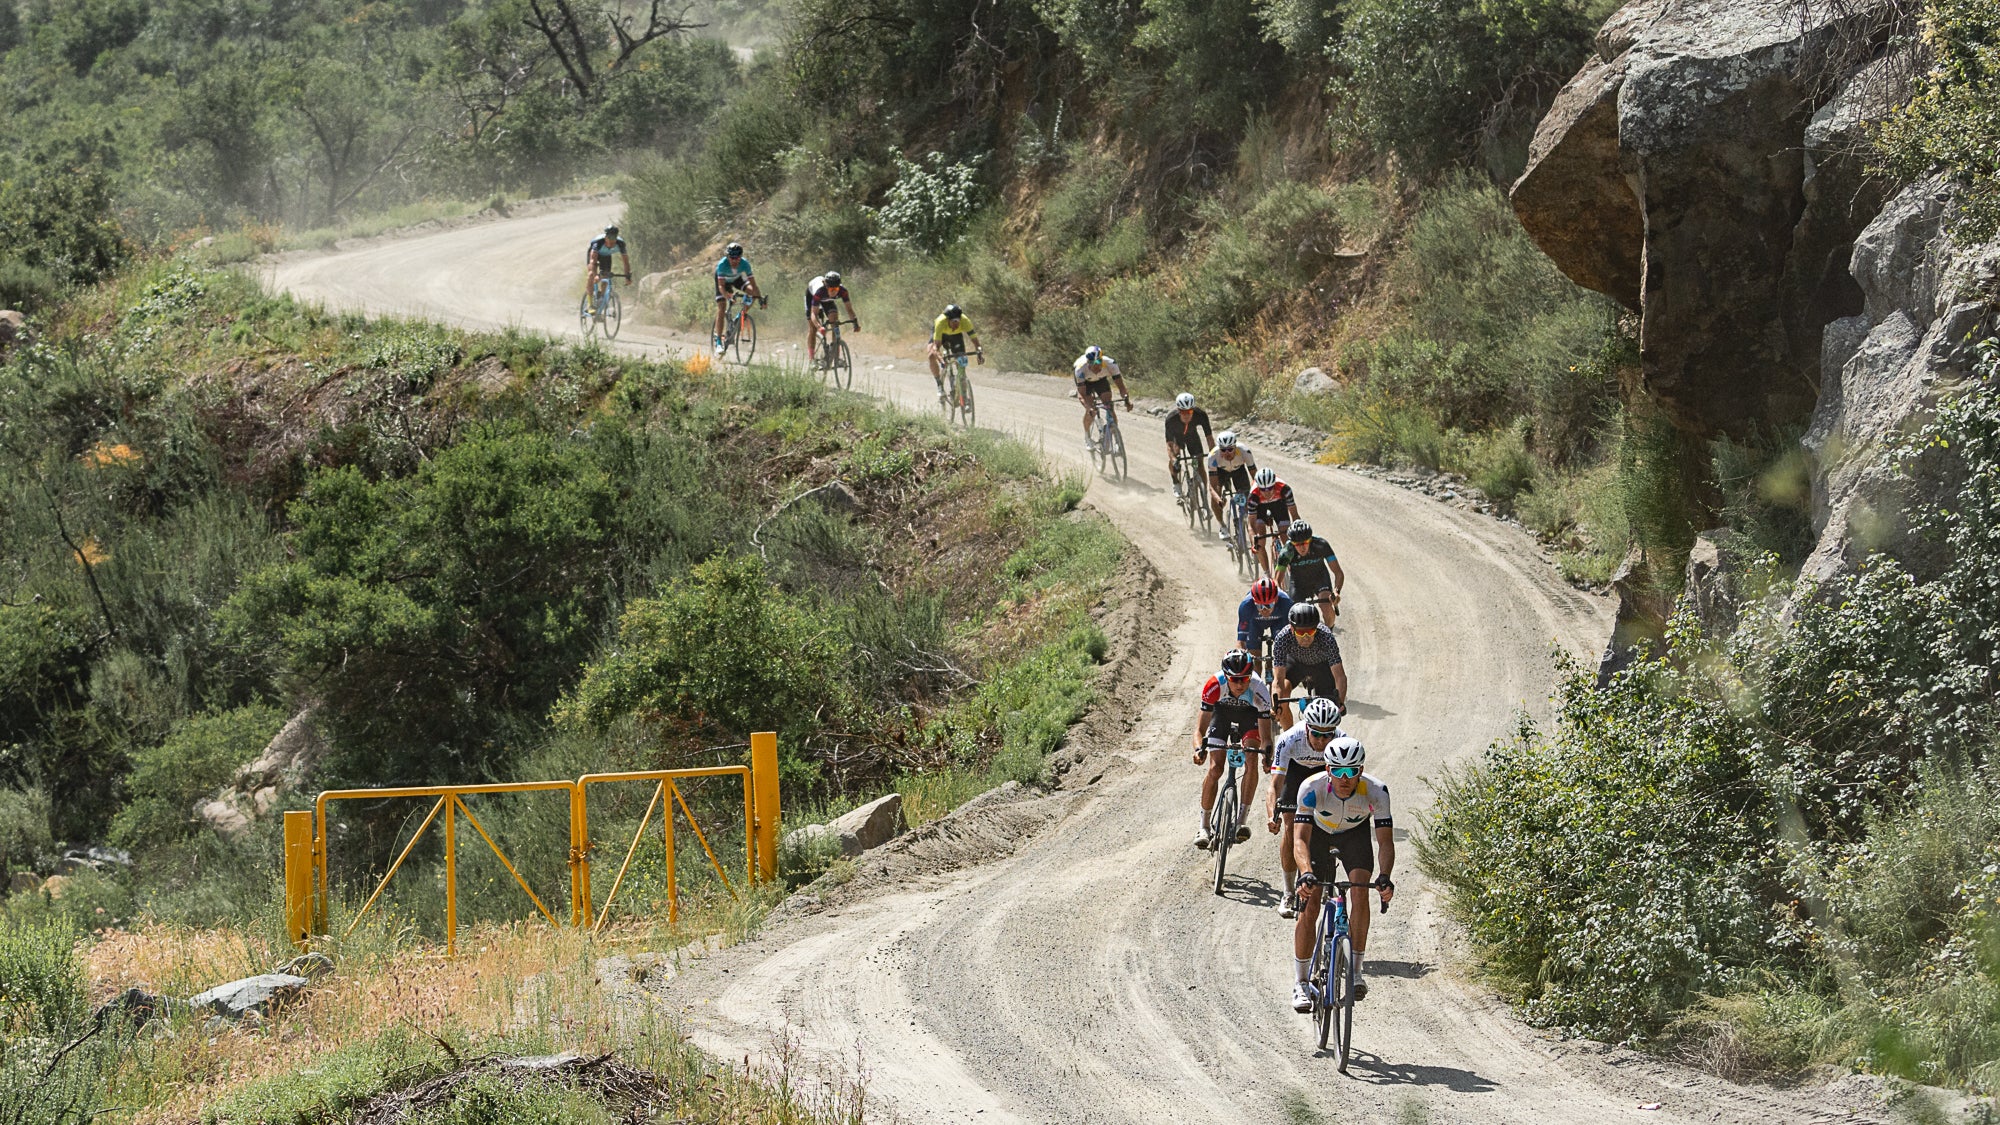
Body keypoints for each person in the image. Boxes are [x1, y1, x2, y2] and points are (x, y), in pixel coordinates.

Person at [1290, 735, 1395, 1012]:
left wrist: (1385, 876)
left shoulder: (1376, 791)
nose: (1345, 777)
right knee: (1310, 903)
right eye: (1338, 771)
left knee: (1360, 891)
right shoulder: (1310, 788)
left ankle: (1356, 971)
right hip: (1319, 836)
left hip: (1354, 835)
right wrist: (1305, 873)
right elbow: (1299, 839)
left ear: (1361, 770)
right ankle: (1301, 983)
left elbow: (1385, 841)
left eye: (1351, 771)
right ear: (1328, 770)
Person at [1265, 697, 1348, 918]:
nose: (1322, 740)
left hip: (1325, 771)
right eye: (1316, 734)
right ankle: (1289, 892)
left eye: (1327, 735)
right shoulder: (1289, 739)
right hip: (1296, 772)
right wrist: (1272, 814)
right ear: (1307, 728)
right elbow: (1274, 785)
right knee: (1291, 828)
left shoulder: (1342, 740)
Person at [1191, 648, 1275, 850]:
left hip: (1249, 716)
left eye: (1244, 679)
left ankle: (1241, 822)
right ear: (1225, 676)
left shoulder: (1259, 688)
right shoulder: (1214, 685)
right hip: (1222, 715)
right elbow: (1199, 731)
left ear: (1250, 676)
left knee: (1252, 760)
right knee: (1215, 768)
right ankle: (1204, 827)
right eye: (1234, 679)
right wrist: (1198, 749)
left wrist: (1267, 755)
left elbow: (1266, 737)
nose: (1239, 684)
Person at [1271, 602, 1348, 725]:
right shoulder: (1282, 638)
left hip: (1321, 666)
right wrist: (1276, 706)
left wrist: (1340, 703)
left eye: (1311, 632)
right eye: (1301, 633)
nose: (1306, 637)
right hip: (1296, 663)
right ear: (1292, 629)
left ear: (1316, 628)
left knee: (1327, 712)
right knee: (1283, 694)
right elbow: (1278, 681)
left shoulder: (1326, 636)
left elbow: (1340, 676)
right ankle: (1289, 738)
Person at [1275, 519, 1344, 623]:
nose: (1302, 547)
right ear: (1292, 543)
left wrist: (1336, 591)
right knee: (1297, 615)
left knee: (1327, 607)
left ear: (1310, 539)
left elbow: (1338, 573)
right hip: (1298, 582)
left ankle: (1329, 634)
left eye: (1305, 542)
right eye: (1297, 544)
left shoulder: (1321, 545)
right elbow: (1277, 581)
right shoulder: (1287, 551)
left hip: (1320, 578)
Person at [711, 241, 765, 356]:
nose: (735, 261)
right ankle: (719, 342)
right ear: (728, 257)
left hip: (736, 279)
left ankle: (740, 315)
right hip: (723, 282)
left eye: (737, 258)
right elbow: (721, 286)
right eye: (732, 258)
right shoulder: (722, 264)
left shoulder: (745, 264)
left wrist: (759, 298)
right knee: (722, 306)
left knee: (753, 292)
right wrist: (727, 296)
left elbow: (754, 285)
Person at [1072, 346, 1132, 447]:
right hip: (1086, 383)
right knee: (1091, 410)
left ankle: (1117, 440)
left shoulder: (1110, 364)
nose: (1096, 368)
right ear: (1088, 363)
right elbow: (1081, 394)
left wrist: (1127, 401)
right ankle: (1087, 437)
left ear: (1102, 361)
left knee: (1109, 405)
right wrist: (1089, 407)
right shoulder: (1080, 369)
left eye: (1098, 364)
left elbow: (1121, 387)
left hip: (1101, 380)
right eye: (1093, 365)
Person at [1235, 577, 1293, 677]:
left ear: (1276, 599)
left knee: (1283, 656)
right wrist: (1244, 656)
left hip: (1278, 622)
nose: (1264, 610)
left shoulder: (1286, 603)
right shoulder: (1246, 606)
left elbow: (1293, 636)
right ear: (1253, 602)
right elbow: (1240, 642)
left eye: (1269, 605)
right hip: (1255, 623)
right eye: (1260, 606)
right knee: (1255, 665)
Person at [1248, 467, 1300, 577]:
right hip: (1260, 507)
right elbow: (1251, 524)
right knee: (1260, 540)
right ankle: (1267, 573)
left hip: (1279, 504)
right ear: (1258, 487)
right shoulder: (1253, 496)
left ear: (1274, 484)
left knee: (1287, 536)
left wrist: (1299, 536)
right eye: (1263, 489)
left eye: (1270, 488)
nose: (1266, 492)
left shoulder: (1284, 489)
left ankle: (1292, 567)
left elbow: (1294, 515)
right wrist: (1254, 542)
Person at [1206, 431, 1258, 537]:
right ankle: (1222, 526)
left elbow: (1255, 477)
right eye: (1223, 450)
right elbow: (1212, 486)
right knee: (1215, 497)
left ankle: (1246, 521)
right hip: (1221, 472)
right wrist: (1218, 500)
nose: (1227, 453)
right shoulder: (1213, 456)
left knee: (1247, 499)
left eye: (1230, 449)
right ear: (1219, 449)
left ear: (1235, 447)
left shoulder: (1244, 451)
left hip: (1238, 471)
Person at [928, 304, 983, 405]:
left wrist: (979, 353)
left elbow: (975, 341)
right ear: (948, 320)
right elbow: (936, 347)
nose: (956, 325)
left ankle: (964, 396)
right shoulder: (940, 322)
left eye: (958, 322)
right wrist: (940, 358)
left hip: (956, 336)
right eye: (953, 322)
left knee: (961, 361)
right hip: (941, 334)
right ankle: (939, 385)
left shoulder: (965, 321)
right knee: (931, 355)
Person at [1165, 392, 1214, 497]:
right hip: (1177, 439)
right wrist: (1174, 459)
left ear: (1193, 409)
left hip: (1192, 437)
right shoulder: (1170, 420)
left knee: (1199, 463)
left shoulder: (1200, 415)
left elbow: (1209, 438)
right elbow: (1169, 445)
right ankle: (1176, 483)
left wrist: (1213, 453)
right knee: (1175, 457)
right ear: (1178, 411)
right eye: (1183, 412)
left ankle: (1203, 494)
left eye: (1190, 411)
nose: (1187, 414)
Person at [804, 270, 857, 365]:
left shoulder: (843, 291)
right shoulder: (819, 291)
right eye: (832, 290)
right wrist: (819, 327)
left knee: (835, 322)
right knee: (813, 328)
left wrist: (855, 322)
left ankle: (836, 356)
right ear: (826, 286)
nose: (834, 292)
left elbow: (849, 309)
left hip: (826, 299)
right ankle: (811, 359)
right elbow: (813, 314)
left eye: (836, 290)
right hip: (812, 297)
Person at [585, 224, 631, 298]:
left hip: (606, 256)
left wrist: (627, 277)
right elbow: (593, 262)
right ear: (605, 238)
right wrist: (595, 275)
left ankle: (601, 297)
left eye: (613, 242)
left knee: (606, 276)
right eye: (608, 240)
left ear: (616, 239)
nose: (610, 244)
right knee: (591, 275)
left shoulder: (621, 244)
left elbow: (626, 262)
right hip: (594, 254)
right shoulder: (598, 243)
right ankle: (589, 304)